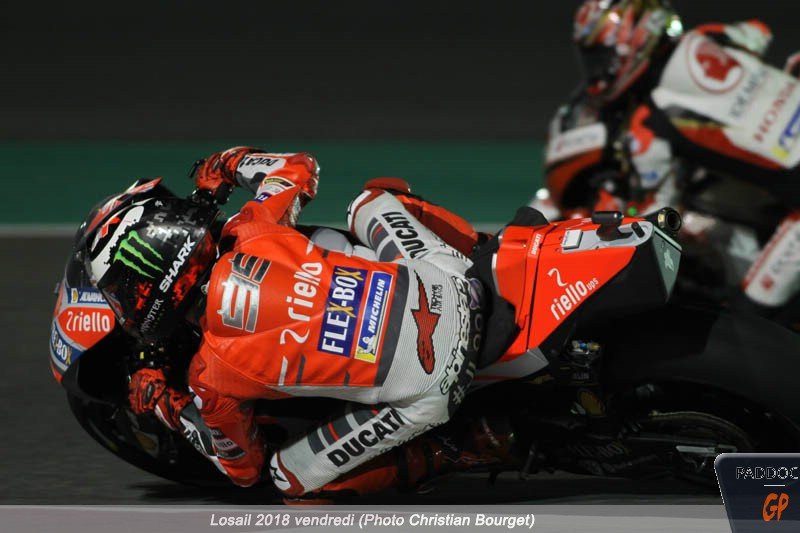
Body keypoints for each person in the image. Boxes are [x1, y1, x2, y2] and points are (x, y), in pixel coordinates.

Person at [84, 147, 513, 500]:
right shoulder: (252, 228)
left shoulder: (210, 375)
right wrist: (228, 164)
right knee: (369, 202)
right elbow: (297, 166)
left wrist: (169, 405)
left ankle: (457, 449)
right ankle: (492, 256)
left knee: (286, 476)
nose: (124, 303)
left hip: (437, 388)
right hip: (458, 286)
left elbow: (243, 469)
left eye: (123, 292)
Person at [535, 0, 800, 318]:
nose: (599, 70)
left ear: (632, 41)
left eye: (602, 57)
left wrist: (621, 224)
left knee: (750, 321)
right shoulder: (710, 36)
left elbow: (660, 217)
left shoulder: (648, 125)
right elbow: (759, 32)